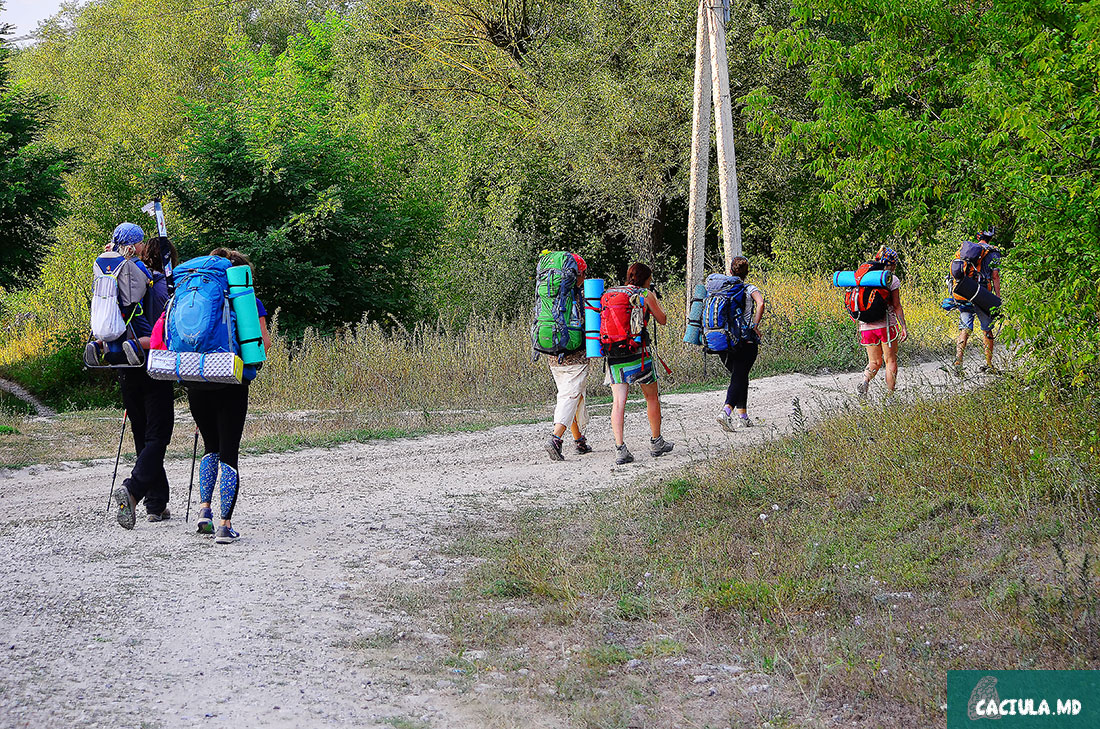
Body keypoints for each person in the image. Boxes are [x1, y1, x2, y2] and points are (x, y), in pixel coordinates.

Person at [188, 248, 270, 544]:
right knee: (229, 451)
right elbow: (264, 343)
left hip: (196, 378)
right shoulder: (249, 301)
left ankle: (204, 511)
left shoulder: (196, 295)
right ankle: (225, 525)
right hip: (232, 382)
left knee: (210, 445)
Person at [107, 223, 178, 527]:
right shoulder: (159, 282)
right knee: (158, 435)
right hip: (153, 362)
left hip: (122, 361)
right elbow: (165, 324)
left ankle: (156, 503)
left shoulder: (112, 276)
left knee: (142, 434)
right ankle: (134, 491)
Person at [605, 262, 673, 465]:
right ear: (646, 278)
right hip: (639, 354)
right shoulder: (645, 294)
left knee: (618, 402)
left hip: (614, 354)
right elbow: (662, 320)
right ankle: (656, 442)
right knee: (651, 397)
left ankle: (620, 449)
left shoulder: (610, 293)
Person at [545, 253, 594, 461]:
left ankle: (579, 439)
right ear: (578, 274)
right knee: (570, 396)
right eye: (583, 274)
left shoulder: (551, 296)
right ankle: (556, 438)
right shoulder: (577, 297)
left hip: (553, 354)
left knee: (573, 394)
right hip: (576, 355)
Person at [712, 256, 765, 431]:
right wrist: (755, 325)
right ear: (746, 272)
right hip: (745, 340)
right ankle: (725, 412)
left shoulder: (723, 290)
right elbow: (761, 302)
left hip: (724, 340)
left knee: (740, 376)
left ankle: (743, 416)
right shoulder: (749, 288)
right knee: (739, 376)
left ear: (731, 271)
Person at [856, 246, 908, 397]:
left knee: (874, 362)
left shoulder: (864, 277)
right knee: (890, 361)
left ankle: (865, 382)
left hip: (865, 326)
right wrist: (903, 326)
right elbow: (897, 306)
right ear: (891, 264)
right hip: (885, 326)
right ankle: (890, 397)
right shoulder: (891, 279)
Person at [954, 230, 1002, 373]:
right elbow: (995, 276)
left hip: (965, 291)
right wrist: (997, 298)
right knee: (987, 328)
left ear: (978, 237)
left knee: (965, 328)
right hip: (982, 294)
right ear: (991, 238)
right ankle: (988, 364)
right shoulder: (994, 252)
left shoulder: (967, 250)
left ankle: (958, 361)